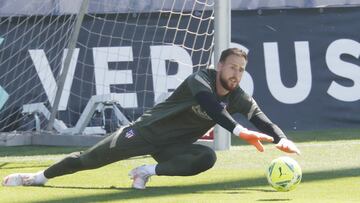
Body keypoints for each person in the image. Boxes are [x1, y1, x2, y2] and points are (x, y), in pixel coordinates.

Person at [2, 48, 300, 189]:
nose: (236, 74)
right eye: (232, 67)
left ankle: (147, 171)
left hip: (174, 146)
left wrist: (281, 138)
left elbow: (260, 117)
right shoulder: (201, 79)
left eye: (241, 70)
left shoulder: (238, 95)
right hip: (146, 131)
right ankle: (37, 178)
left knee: (205, 159)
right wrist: (238, 130)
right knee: (88, 160)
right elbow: (211, 107)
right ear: (220, 65)